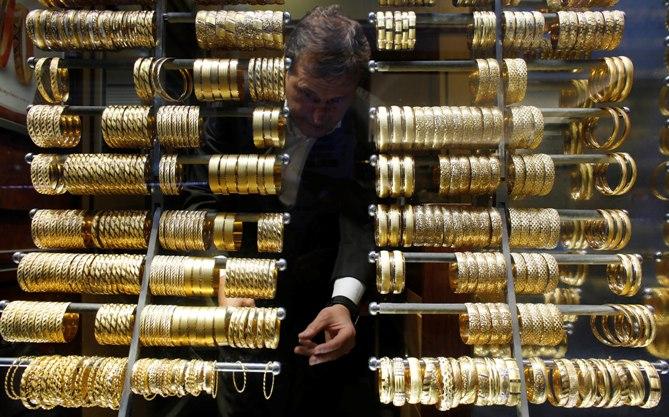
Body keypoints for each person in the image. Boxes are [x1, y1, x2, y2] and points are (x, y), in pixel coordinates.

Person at [184, 5, 379, 417]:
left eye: (335, 101)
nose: (319, 114)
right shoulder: (231, 107)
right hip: (239, 291)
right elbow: (198, 200)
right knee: (239, 404)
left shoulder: (365, 123)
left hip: (318, 297)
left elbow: (360, 221)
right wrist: (223, 276)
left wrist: (344, 302)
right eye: (307, 95)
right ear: (285, 69)